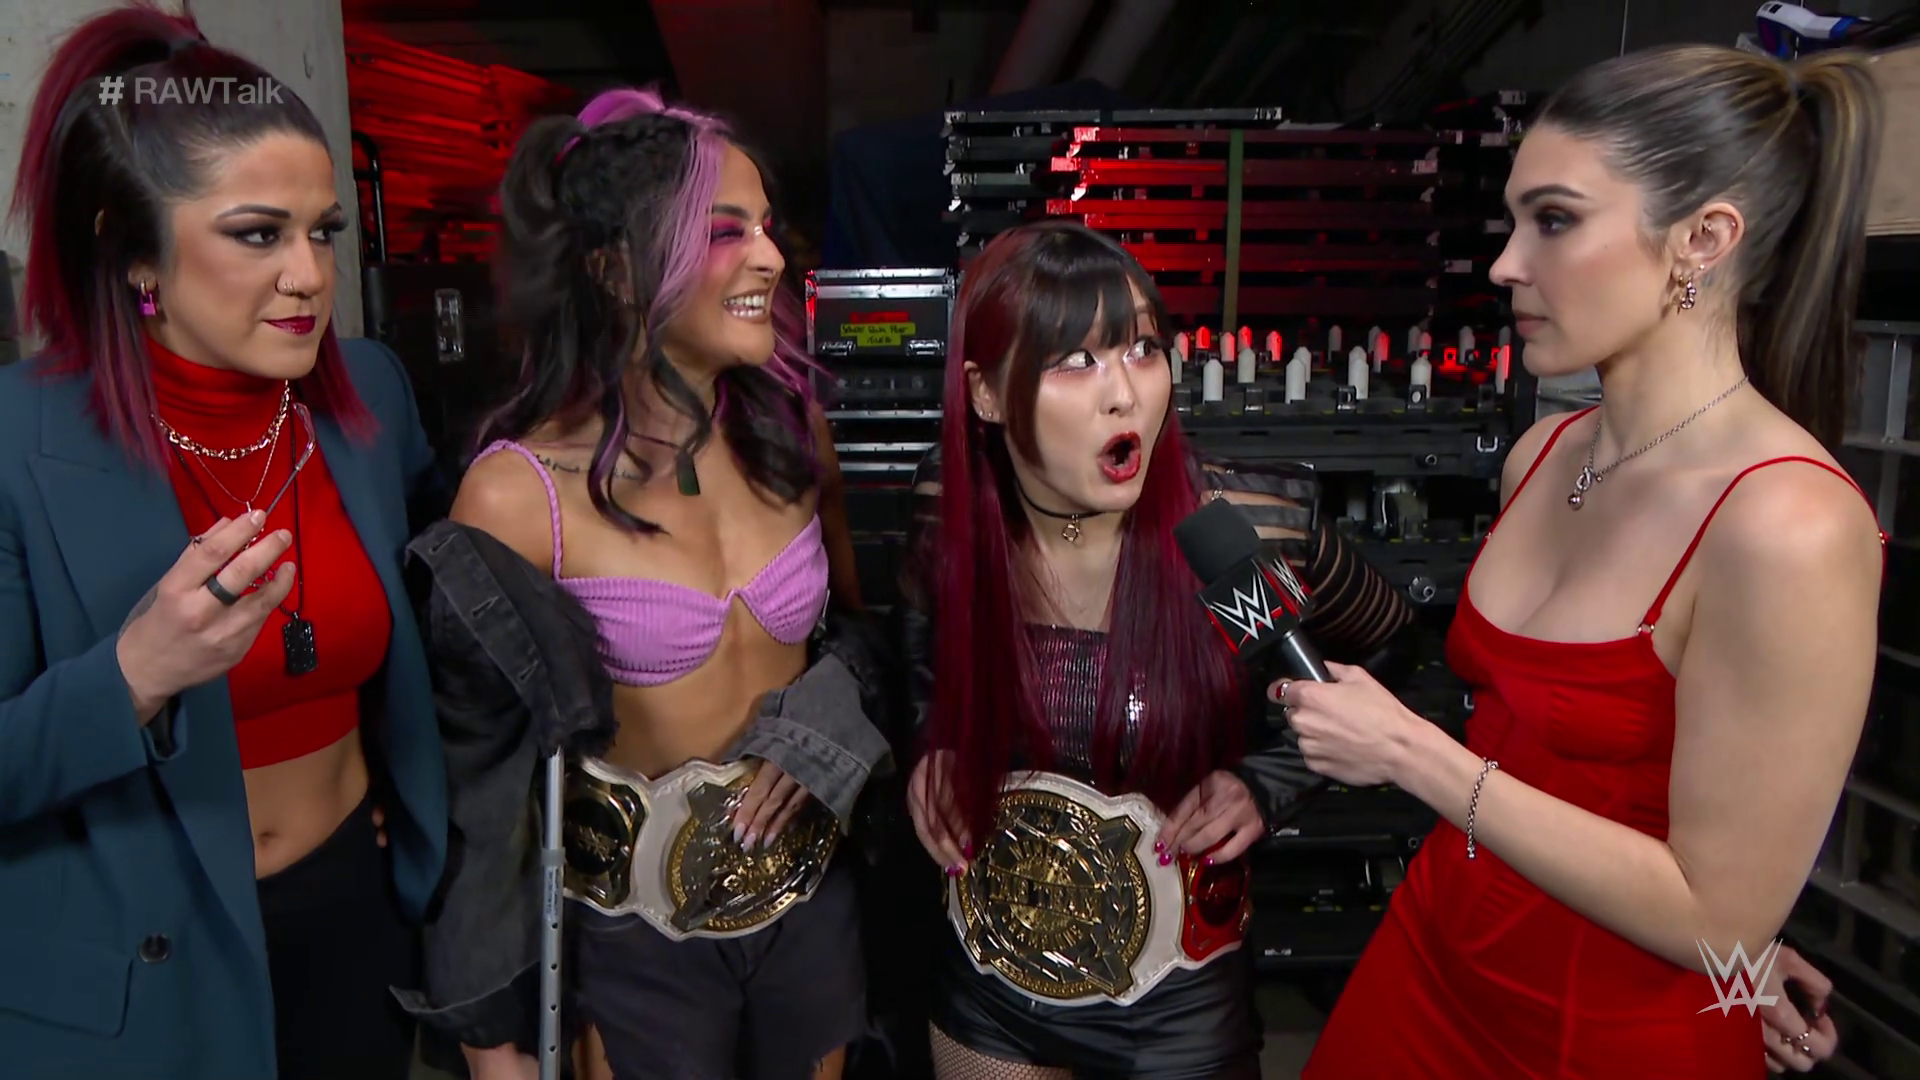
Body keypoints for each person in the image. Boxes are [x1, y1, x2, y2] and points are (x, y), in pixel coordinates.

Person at [1289, 44, 1885, 1079]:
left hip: (1599, 1038)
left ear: (1703, 240)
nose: (1505, 264)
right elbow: (1551, 766)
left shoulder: (1788, 525)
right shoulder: (1545, 454)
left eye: (1555, 221)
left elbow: (1718, 918)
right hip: (1430, 963)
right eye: (1515, 221)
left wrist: (1415, 755)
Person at [399, 87, 890, 1080]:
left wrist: (835, 706)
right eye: (725, 232)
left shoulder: (795, 435)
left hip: (809, 914)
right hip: (634, 948)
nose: (771, 258)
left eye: (767, 227)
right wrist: (490, 1040)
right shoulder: (517, 494)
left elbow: (865, 633)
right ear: (616, 268)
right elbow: (482, 798)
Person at [0, 5, 448, 1079]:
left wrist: (396, 809)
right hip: (137, 972)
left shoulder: (368, 400)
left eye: (322, 231)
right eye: (258, 234)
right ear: (132, 249)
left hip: (354, 928)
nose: (308, 274)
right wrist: (133, 675)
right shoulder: (20, 441)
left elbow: (436, 642)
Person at [897, 220, 1415, 1079]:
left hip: (1177, 1002)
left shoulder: (1239, 538)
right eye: (1075, 361)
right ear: (985, 394)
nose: (1125, 395)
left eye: (1142, 350)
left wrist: (1270, 782)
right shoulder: (949, 507)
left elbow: (1387, 652)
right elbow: (919, 643)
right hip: (990, 985)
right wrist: (935, 743)